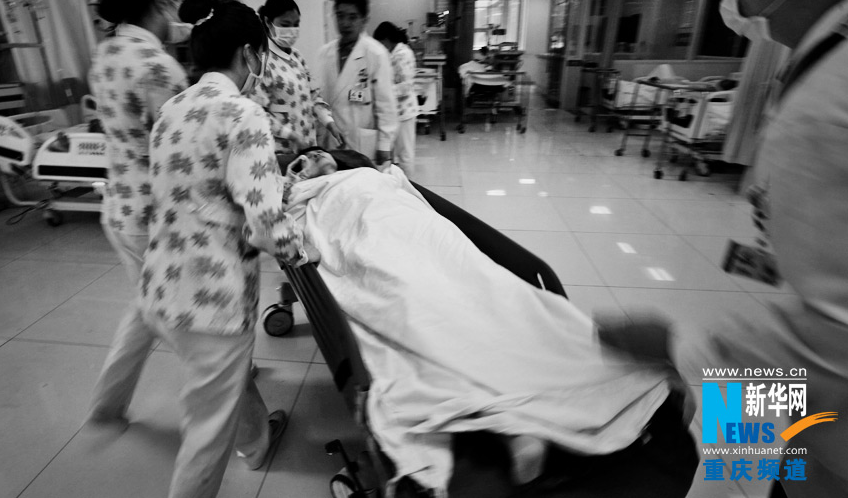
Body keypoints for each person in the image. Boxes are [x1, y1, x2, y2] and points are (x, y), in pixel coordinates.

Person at [282, 148, 697, 497]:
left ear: (342, 160)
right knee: (422, 314)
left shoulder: (374, 180)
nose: (307, 163)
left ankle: (541, 415)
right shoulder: (306, 204)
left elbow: (421, 216)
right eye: (298, 165)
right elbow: (317, 248)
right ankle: (514, 426)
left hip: (419, 241)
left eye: (316, 155)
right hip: (379, 254)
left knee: (500, 299)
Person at [677, 0, 848, 496]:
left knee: (744, 463)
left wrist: (690, 354)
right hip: (810, 397)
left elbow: (832, 340)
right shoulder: (821, 54)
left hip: (818, 391)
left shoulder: (833, 101)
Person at [140, 0, 312, 498]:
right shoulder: (243, 114)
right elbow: (263, 226)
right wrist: (303, 253)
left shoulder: (172, 110)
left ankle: (257, 442)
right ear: (248, 53)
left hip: (162, 288)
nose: (262, 64)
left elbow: (200, 190)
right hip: (212, 300)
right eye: (259, 53)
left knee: (225, 380)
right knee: (205, 437)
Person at [85, 0, 190, 429]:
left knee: (146, 310)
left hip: (119, 211)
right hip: (157, 223)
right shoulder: (158, 68)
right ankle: (249, 431)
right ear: (163, 1)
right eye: (178, 6)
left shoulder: (105, 54)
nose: (179, 19)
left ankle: (107, 406)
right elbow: (185, 155)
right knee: (192, 329)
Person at [246, 0, 344, 154]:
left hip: (307, 145)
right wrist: (291, 136)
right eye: (285, 25)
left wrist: (328, 121)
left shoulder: (297, 57)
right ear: (268, 22)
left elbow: (314, 96)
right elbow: (258, 112)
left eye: (296, 24)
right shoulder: (261, 61)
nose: (291, 30)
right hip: (281, 151)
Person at [316, 0, 397, 167]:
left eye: (352, 17)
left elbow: (386, 105)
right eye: (340, 16)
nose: (345, 23)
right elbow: (320, 97)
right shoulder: (325, 54)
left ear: (364, 21)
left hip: (364, 144)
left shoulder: (376, 54)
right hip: (333, 140)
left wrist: (385, 145)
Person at [372, 21, 418, 177]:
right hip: (393, 113)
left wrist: (382, 92)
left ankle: (410, 191)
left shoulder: (402, 54)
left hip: (404, 113)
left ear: (386, 39)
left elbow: (406, 86)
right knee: (387, 154)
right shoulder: (392, 54)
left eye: (380, 43)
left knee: (405, 155)